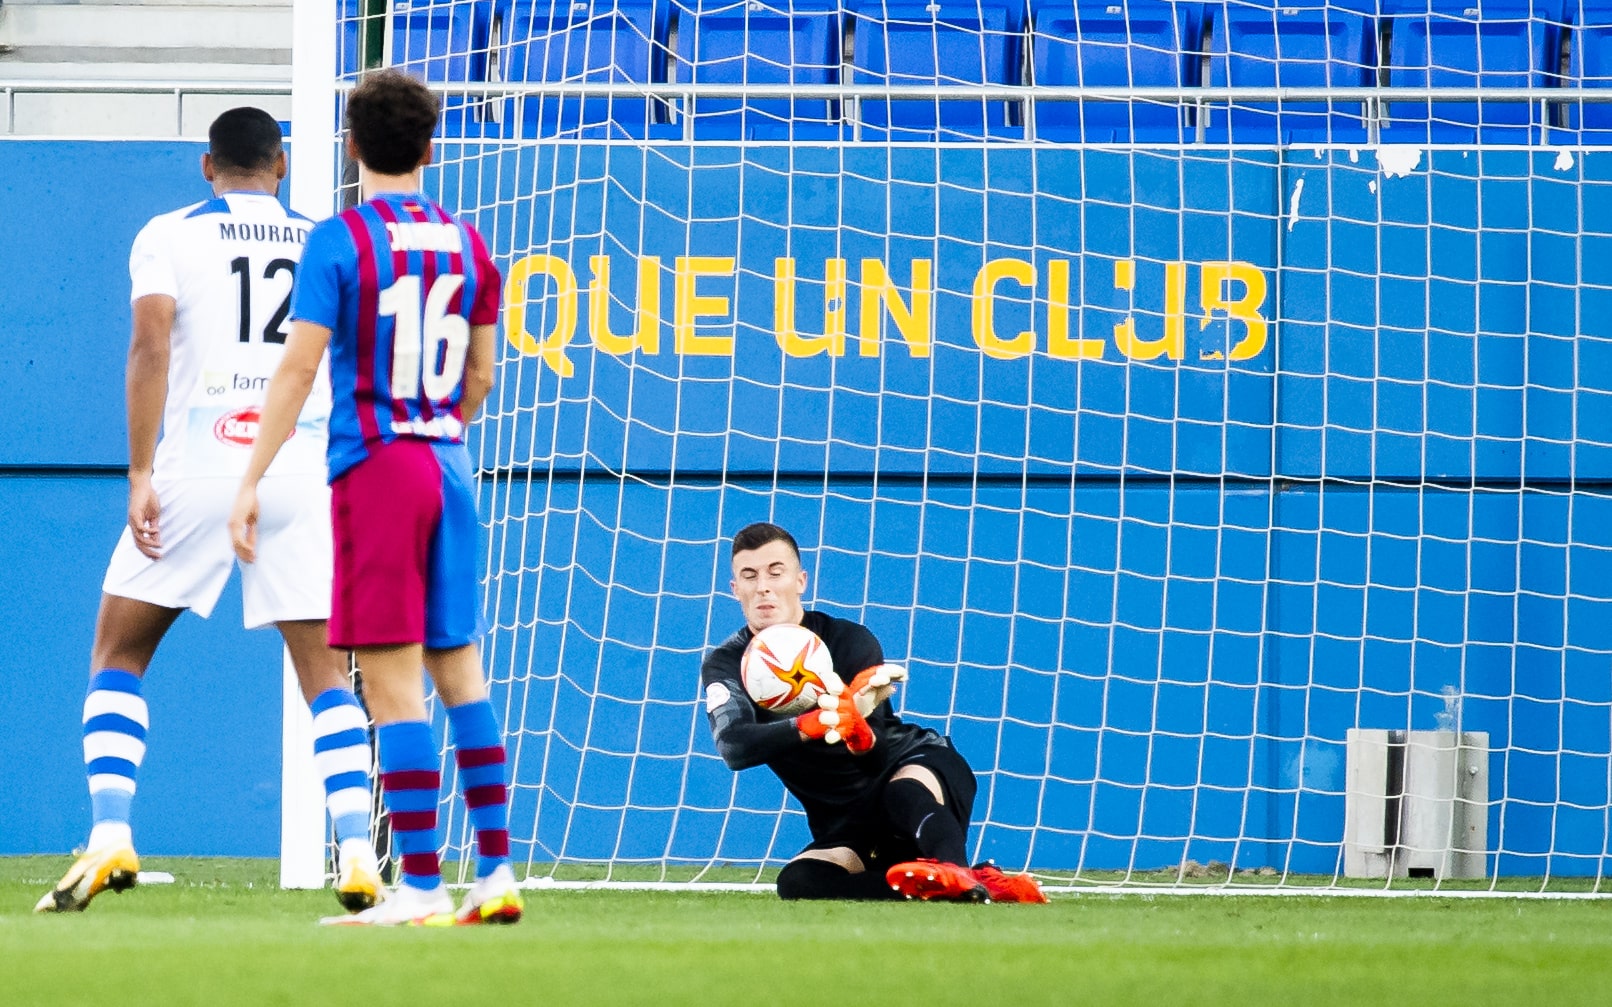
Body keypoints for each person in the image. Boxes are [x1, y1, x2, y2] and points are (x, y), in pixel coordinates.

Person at [36, 107, 384, 915]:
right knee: (326, 673)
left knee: (118, 653)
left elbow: (150, 346)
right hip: (299, 466)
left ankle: (111, 831)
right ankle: (360, 850)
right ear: (284, 163)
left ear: (206, 166)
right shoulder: (329, 236)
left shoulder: (168, 233)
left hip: (199, 461)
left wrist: (138, 470)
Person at [228, 69, 518, 928]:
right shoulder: (470, 245)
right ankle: (496, 872)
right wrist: (441, 426)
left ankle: (422, 885)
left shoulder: (339, 240)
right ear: (431, 148)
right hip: (448, 466)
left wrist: (250, 478)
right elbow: (483, 377)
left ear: (351, 147)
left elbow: (298, 366)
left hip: (377, 471)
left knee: (392, 687)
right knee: (461, 673)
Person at [701, 522, 1048, 903]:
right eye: (749, 575)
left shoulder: (849, 641)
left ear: (800, 580)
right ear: (735, 589)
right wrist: (816, 722)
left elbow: (877, 754)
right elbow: (734, 747)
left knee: (903, 791)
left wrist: (854, 726)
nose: (763, 586)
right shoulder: (727, 664)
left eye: (775, 572)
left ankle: (954, 870)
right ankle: (966, 887)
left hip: (911, 769)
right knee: (799, 881)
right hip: (849, 820)